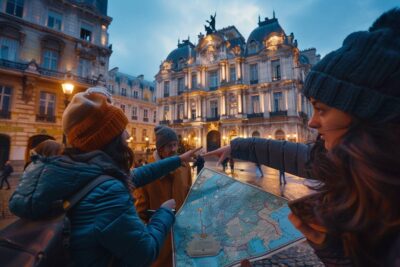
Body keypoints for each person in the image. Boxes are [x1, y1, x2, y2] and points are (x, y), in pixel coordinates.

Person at [203, 8, 400, 266]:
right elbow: (302, 158)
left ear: (365, 115)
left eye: (321, 109)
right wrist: (239, 146)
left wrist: (341, 257)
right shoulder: (355, 165)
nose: (312, 121)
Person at [9, 87, 201, 267]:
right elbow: (144, 252)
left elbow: (134, 175)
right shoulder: (107, 192)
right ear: (107, 139)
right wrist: (164, 213)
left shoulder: (70, 170)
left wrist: (177, 160)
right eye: (120, 131)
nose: (127, 136)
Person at [133, 125, 193, 267]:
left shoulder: (185, 168)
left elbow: (189, 197)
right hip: (159, 242)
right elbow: (139, 212)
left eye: (175, 145)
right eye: (168, 146)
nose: (173, 149)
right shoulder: (147, 174)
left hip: (182, 241)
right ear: (159, 149)